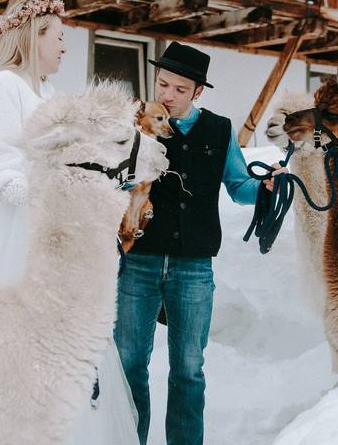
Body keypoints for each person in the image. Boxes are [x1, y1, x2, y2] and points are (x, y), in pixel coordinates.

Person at [0, 0, 139, 444]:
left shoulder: (49, 92)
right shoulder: (3, 86)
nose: (64, 47)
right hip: (16, 237)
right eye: (58, 37)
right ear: (33, 36)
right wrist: (59, 195)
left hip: (53, 235)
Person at [114, 41, 274, 445]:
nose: (167, 95)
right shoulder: (135, 125)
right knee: (129, 364)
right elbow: (115, 179)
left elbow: (238, 186)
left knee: (188, 368)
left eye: (179, 89)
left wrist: (267, 187)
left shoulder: (219, 131)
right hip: (139, 262)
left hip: (194, 267)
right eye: (163, 83)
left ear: (197, 92)